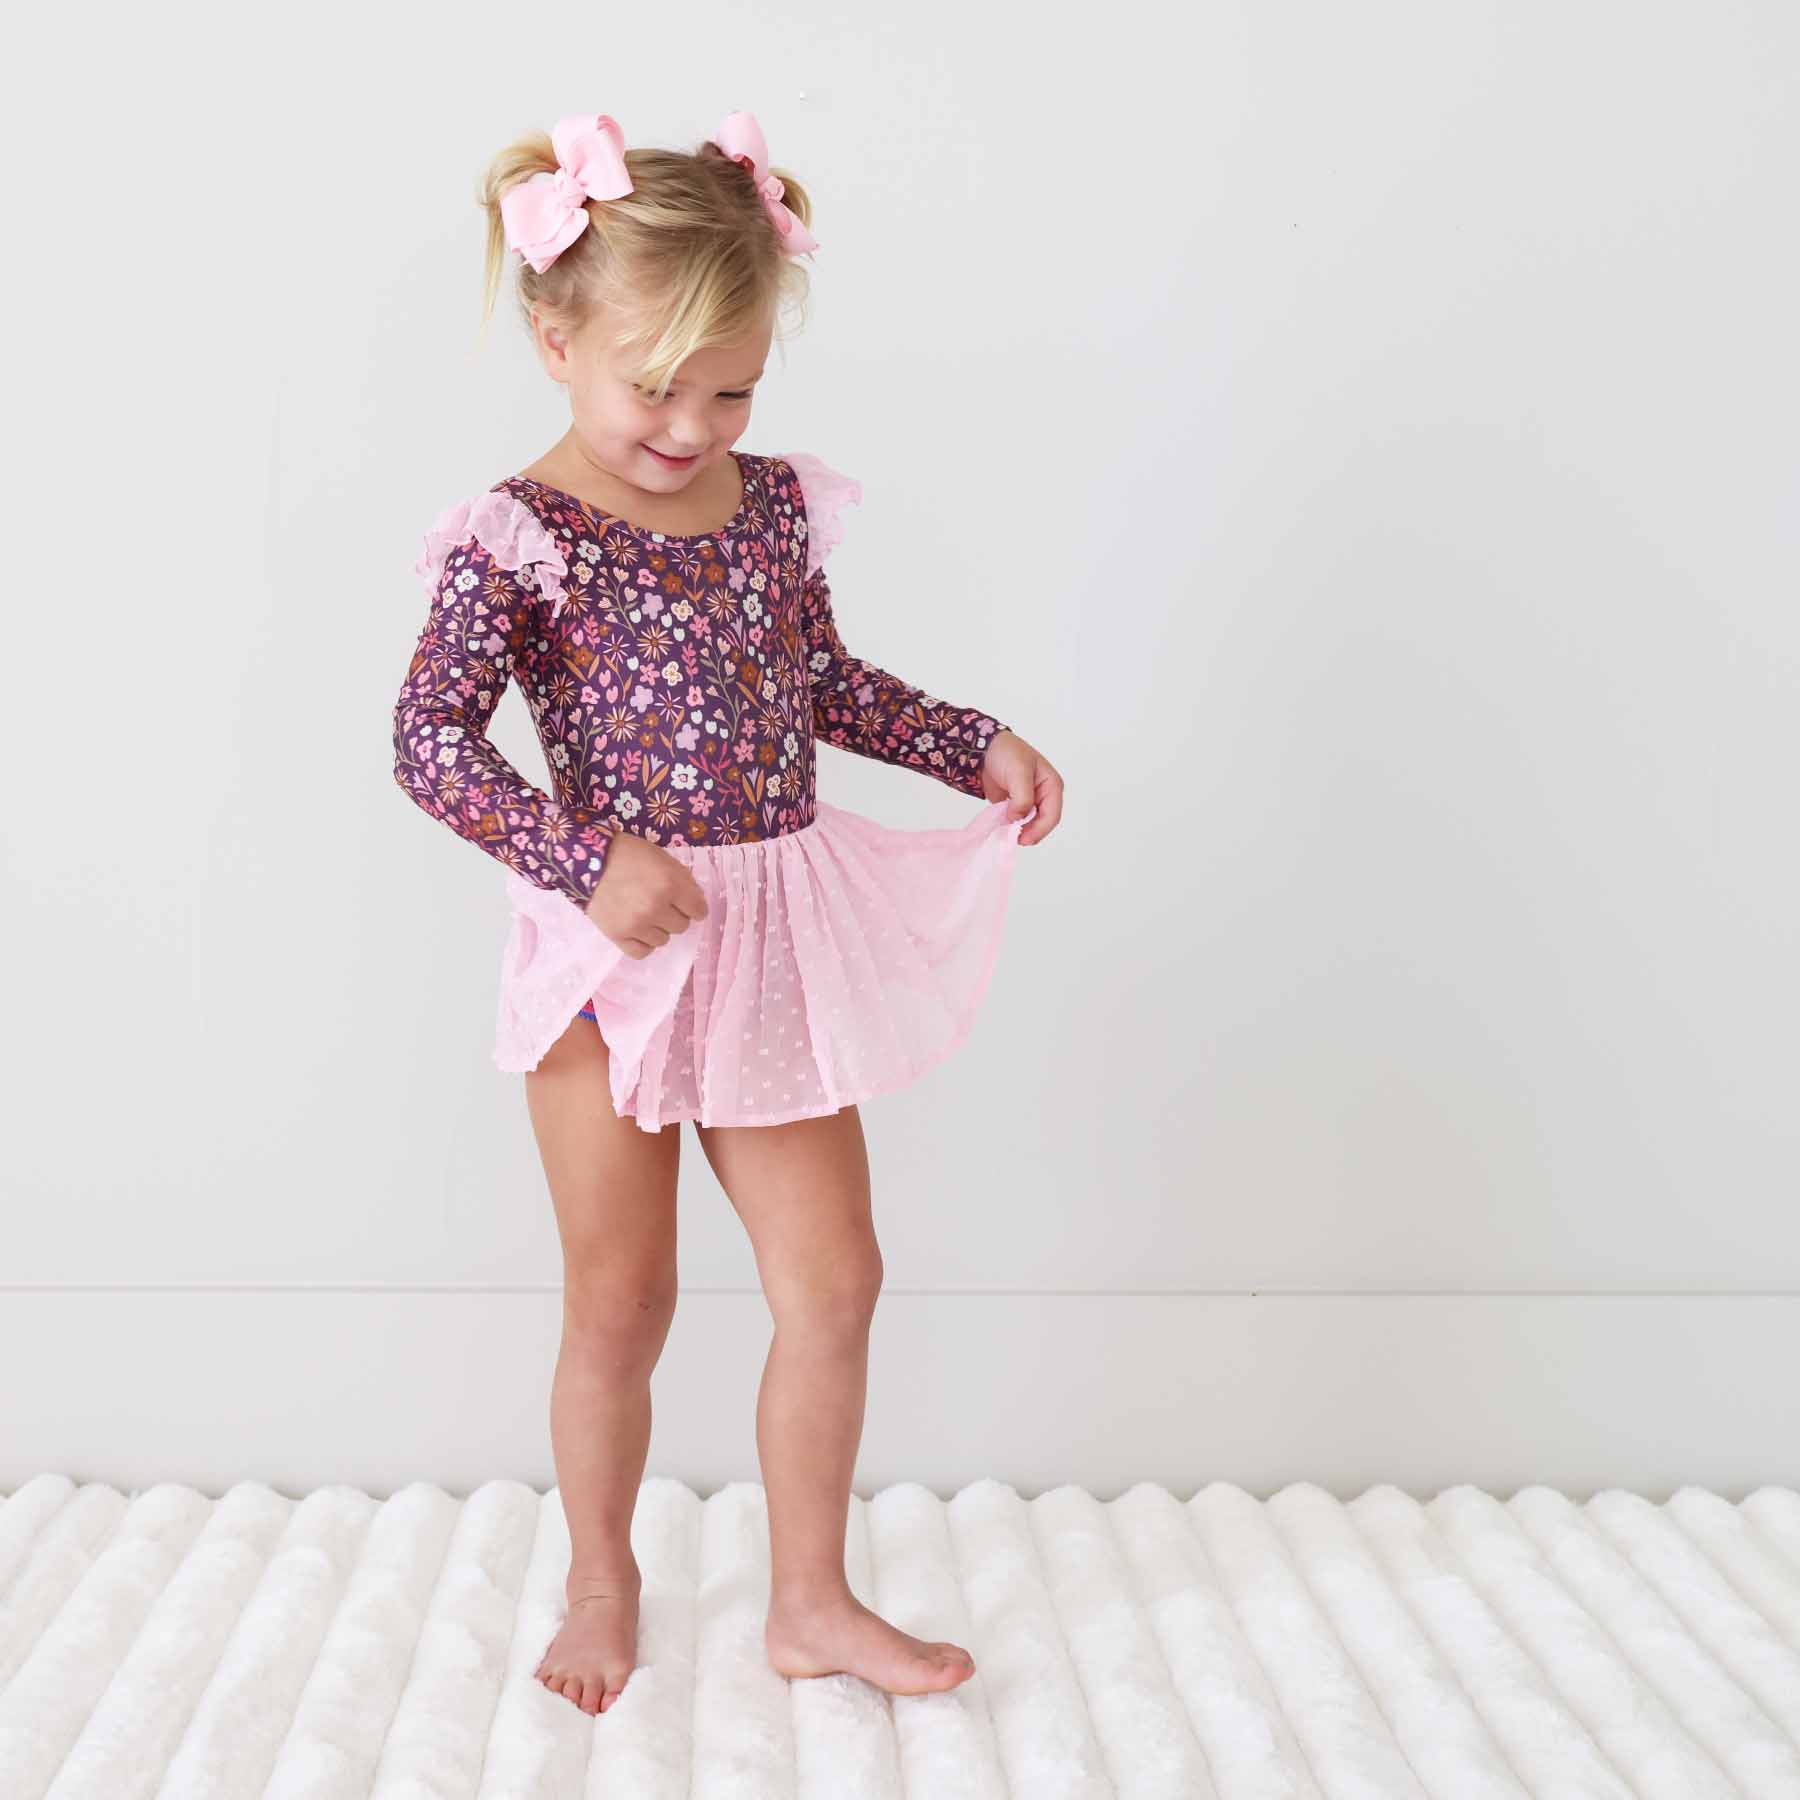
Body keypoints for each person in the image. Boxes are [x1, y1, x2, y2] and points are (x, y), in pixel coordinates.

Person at [390, 109, 1064, 1718]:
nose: (693, 426)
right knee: (623, 1298)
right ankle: (602, 1576)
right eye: (656, 388)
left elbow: (820, 682)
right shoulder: (523, 537)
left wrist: (970, 740)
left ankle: (811, 1599)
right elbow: (429, 742)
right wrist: (580, 860)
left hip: (770, 942)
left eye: (733, 390)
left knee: (836, 1279)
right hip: (613, 956)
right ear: (556, 341)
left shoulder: (765, 511)